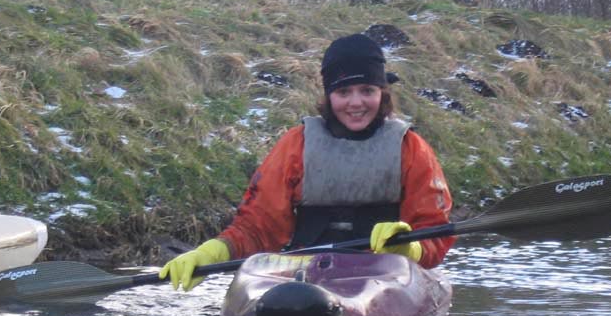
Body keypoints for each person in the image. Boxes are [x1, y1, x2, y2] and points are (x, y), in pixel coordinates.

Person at [160, 33, 455, 291]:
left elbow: (434, 228)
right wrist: (210, 253)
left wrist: (408, 247)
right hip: (308, 275)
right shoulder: (296, 145)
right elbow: (257, 227)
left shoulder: (410, 148)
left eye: (367, 90)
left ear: (382, 93)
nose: (355, 103)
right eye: (343, 92)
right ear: (329, 96)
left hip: (386, 276)